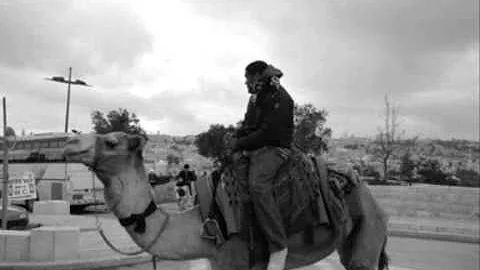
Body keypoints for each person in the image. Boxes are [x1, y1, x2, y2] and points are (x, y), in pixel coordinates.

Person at [231, 60, 294, 270]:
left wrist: (239, 143)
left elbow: (270, 132)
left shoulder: (279, 97)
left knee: (258, 185)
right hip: (257, 146)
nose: (245, 82)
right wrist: (235, 136)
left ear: (258, 76)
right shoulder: (256, 97)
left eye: (247, 78)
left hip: (275, 149)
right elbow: (250, 125)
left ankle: (278, 247)